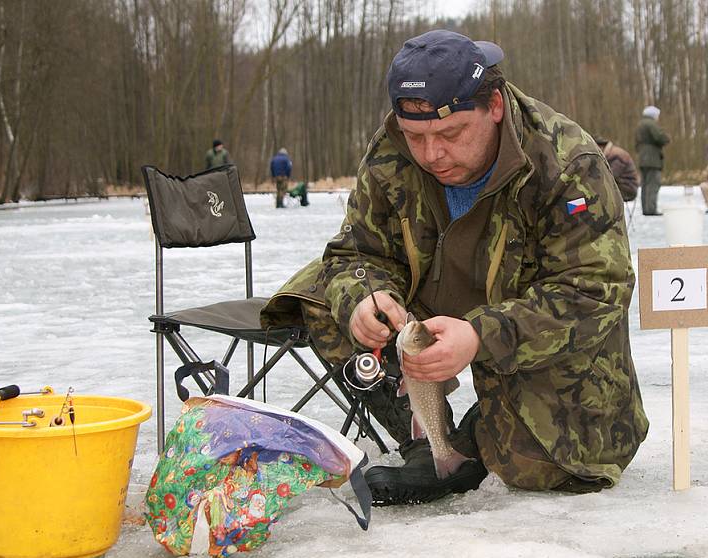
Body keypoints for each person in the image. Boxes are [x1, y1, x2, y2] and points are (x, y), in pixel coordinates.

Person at [260, 30, 648, 506]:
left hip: (526, 322)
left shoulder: (566, 162)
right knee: (320, 295)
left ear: (495, 107)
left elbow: (596, 291)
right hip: (428, 310)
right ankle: (428, 443)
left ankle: (482, 432)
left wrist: (480, 335)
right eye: (416, 137)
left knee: (544, 468)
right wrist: (366, 298)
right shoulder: (390, 155)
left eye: (450, 134)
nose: (431, 154)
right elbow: (355, 254)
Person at [635, 106, 670, 216]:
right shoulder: (651, 124)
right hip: (652, 158)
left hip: (642, 157)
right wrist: (667, 137)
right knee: (653, 184)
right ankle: (651, 209)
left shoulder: (640, 124)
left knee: (645, 185)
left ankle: (646, 208)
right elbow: (659, 137)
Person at [594, 136, 639, 202]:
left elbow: (610, 175)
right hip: (623, 186)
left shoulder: (616, 155)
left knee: (596, 195)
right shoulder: (612, 153)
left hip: (628, 189)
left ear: (600, 146)